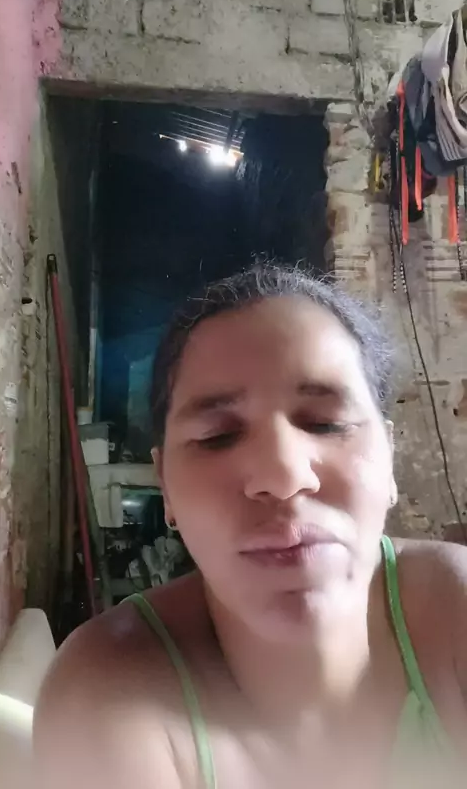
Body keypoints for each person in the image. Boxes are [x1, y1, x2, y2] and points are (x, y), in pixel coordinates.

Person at [34, 262, 467, 788]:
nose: (283, 478)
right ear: (165, 484)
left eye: (326, 423)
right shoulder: (105, 695)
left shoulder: (456, 612)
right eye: (216, 436)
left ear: (390, 456)